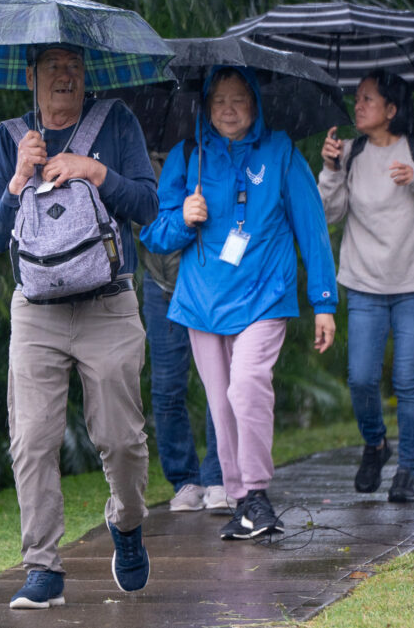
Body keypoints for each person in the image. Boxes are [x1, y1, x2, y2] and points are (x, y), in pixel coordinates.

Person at [0, 43, 157, 609]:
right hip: (36, 312)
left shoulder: (117, 121)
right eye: (54, 66)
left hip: (108, 303)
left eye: (75, 67)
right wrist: (17, 180)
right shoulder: (11, 137)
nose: (66, 76)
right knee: (31, 439)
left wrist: (95, 171)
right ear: (30, 76)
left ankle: (126, 524)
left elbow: (148, 205)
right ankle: (43, 569)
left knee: (120, 440)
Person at [140, 66, 338, 540]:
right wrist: (184, 217)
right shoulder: (189, 156)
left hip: (266, 294)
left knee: (247, 386)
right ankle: (240, 499)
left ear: (256, 104)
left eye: (239, 99)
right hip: (202, 301)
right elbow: (155, 233)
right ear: (206, 107)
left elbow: (312, 228)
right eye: (219, 101)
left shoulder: (281, 151)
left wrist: (324, 301)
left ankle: (256, 493)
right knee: (220, 402)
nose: (229, 110)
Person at [318, 72, 414, 504]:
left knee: (407, 380)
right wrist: (329, 169)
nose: (358, 106)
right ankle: (376, 443)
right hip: (364, 283)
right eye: (357, 98)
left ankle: (407, 471)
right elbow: (329, 213)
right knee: (361, 379)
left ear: (391, 110)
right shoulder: (349, 153)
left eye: (367, 99)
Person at [139, 152, 229, 513]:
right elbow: (144, 226)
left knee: (217, 382)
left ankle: (220, 475)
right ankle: (185, 480)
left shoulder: (208, 150)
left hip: (211, 286)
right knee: (166, 388)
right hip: (160, 287)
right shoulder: (135, 159)